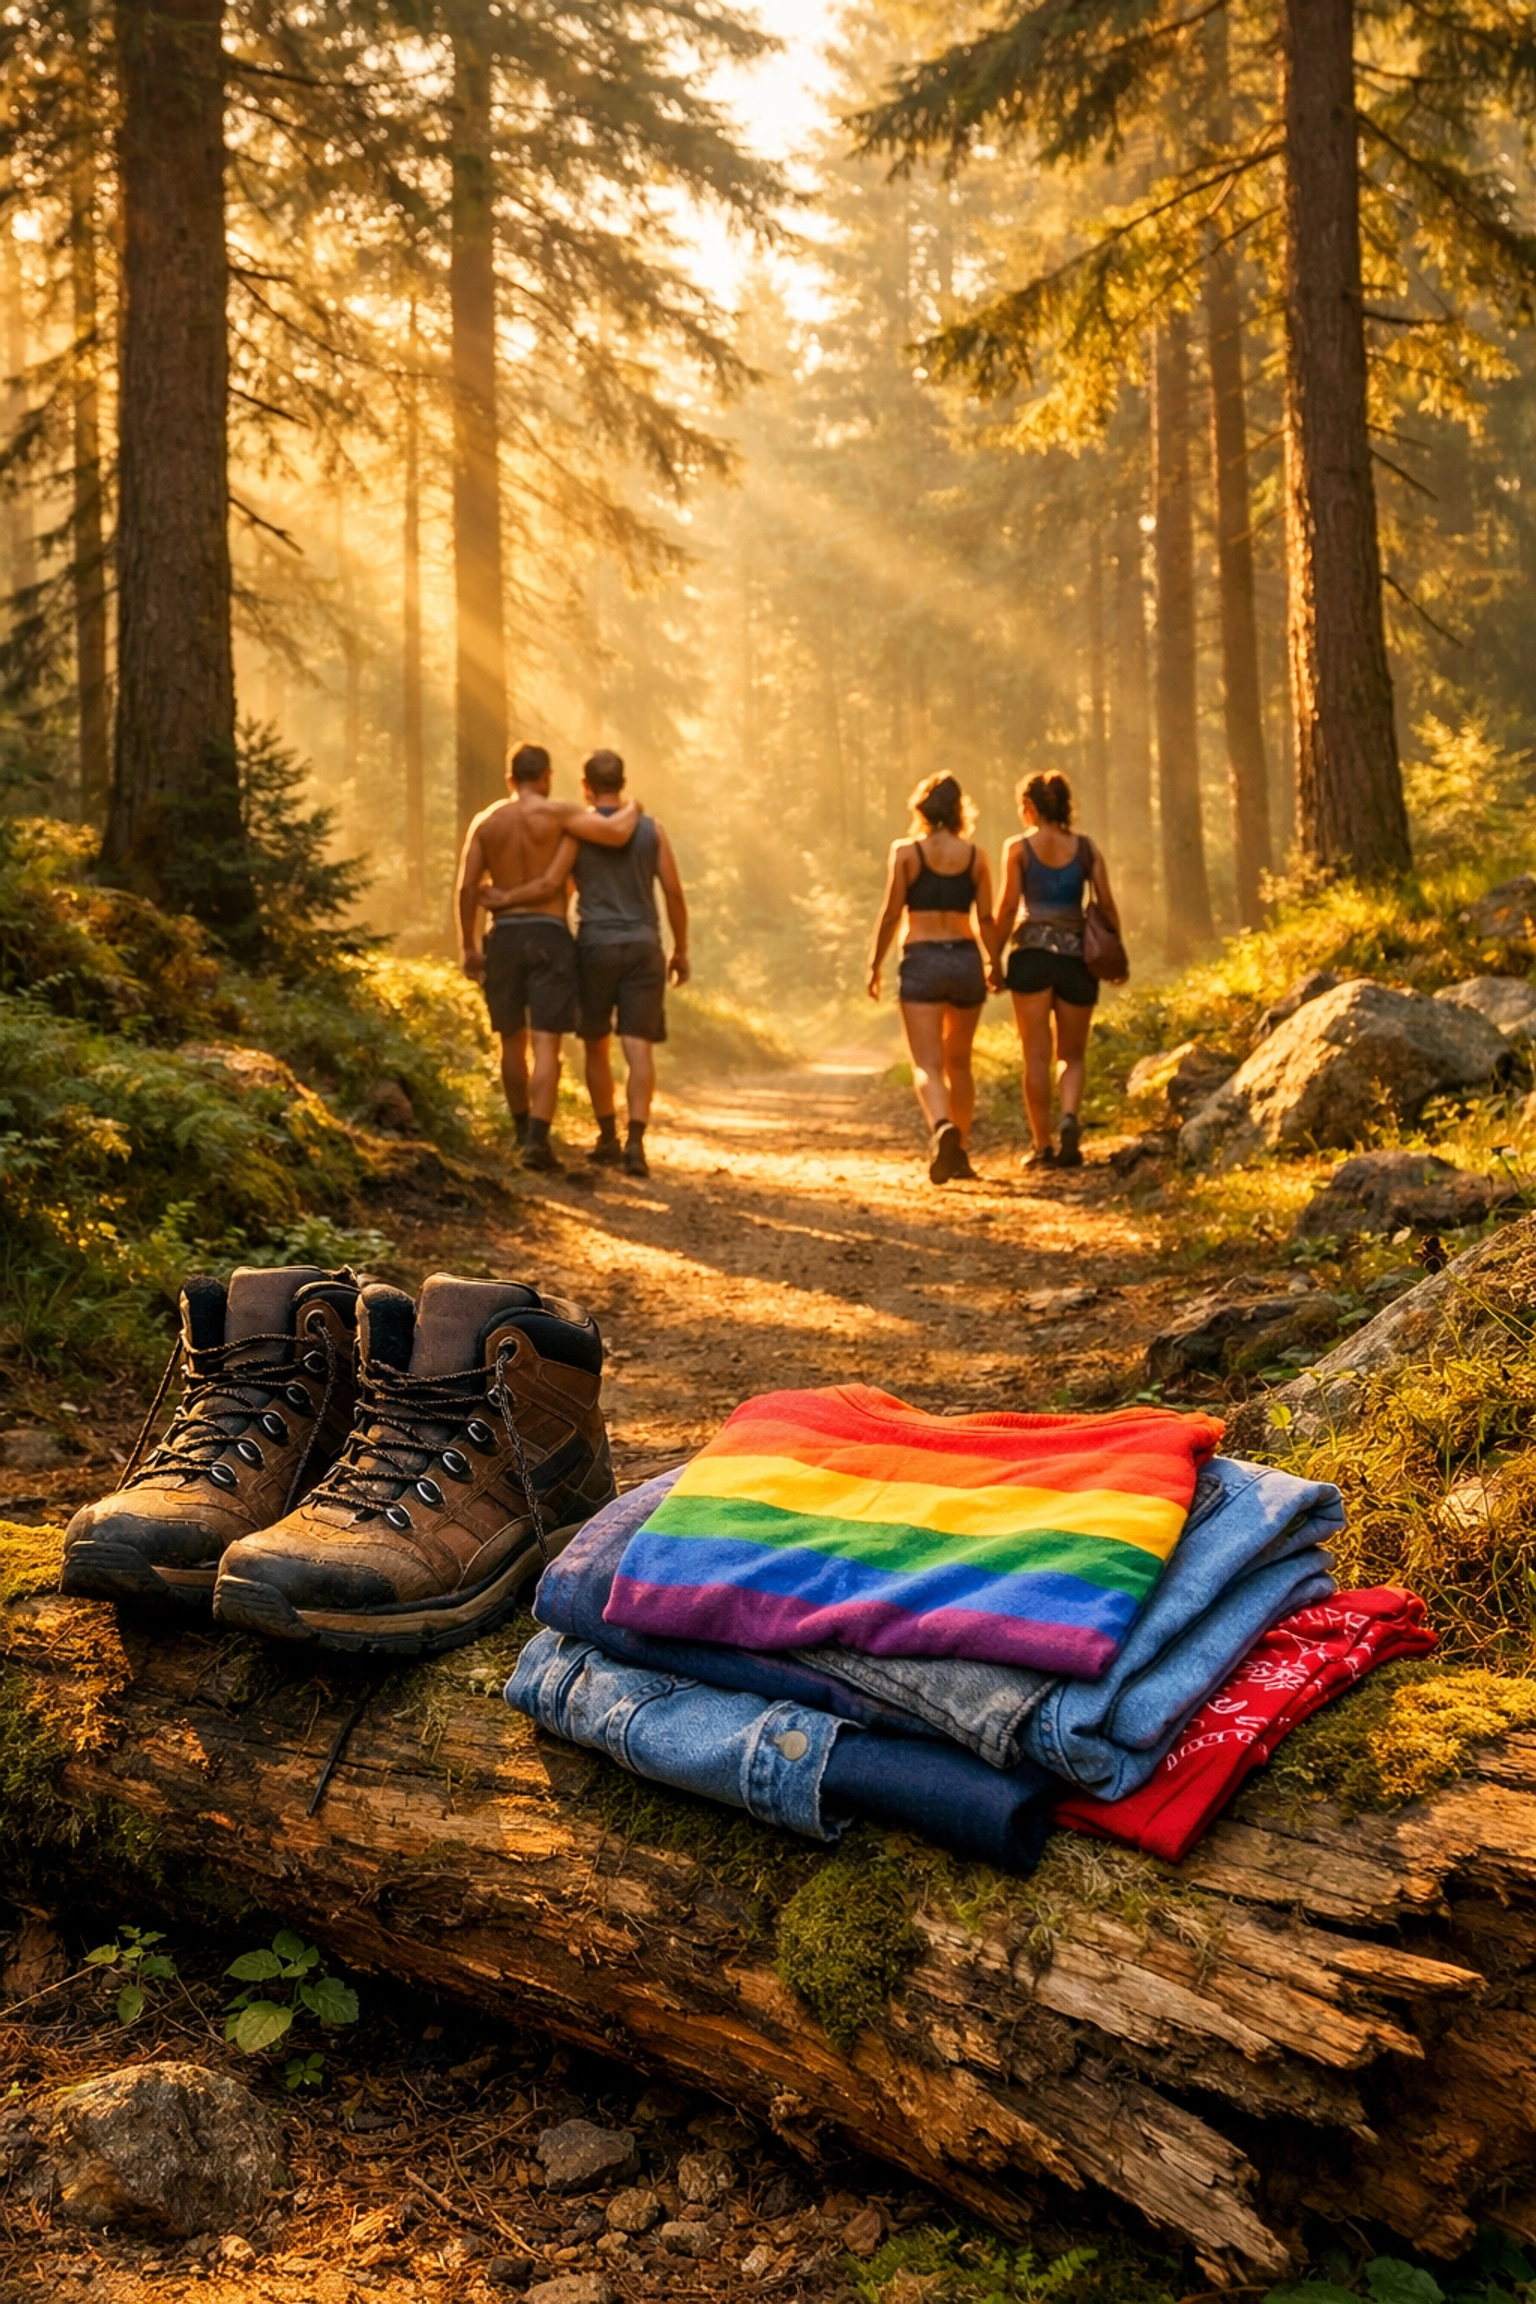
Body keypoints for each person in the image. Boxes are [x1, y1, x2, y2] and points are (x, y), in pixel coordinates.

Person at [482, 748, 689, 1178]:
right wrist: (680, 948)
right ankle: (636, 1144)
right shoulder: (652, 831)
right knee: (638, 1047)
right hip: (644, 946)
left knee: (595, 1043)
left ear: (585, 786)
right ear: (623, 780)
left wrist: (509, 901)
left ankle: (607, 1137)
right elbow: (672, 891)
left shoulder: (577, 834)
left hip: (593, 947)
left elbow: (557, 884)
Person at [456, 742, 637, 1172]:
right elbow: (613, 834)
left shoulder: (487, 822)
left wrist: (467, 946)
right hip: (550, 935)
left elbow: (467, 887)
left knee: (510, 1042)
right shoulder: (559, 814)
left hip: (503, 937)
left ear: (509, 778)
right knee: (546, 1044)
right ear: (547, 776)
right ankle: (539, 1139)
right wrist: (635, 806)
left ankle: (521, 1135)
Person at [867, 772, 996, 1184]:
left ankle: (941, 1126)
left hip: (921, 958)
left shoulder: (906, 853)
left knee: (927, 1063)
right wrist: (997, 963)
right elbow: (988, 918)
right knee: (960, 1062)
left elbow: (891, 914)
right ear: (960, 810)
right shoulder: (976, 856)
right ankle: (958, 1154)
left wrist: (874, 965)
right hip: (964, 958)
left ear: (922, 807)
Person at [991, 769, 1122, 1170]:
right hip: (1076, 961)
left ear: (1029, 807)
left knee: (1035, 1056)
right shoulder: (1086, 849)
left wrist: (993, 959)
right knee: (1073, 1055)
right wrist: (1116, 955)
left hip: (1031, 958)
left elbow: (1009, 907)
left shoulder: (1018, 849)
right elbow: (1106, 904)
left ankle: (1042, 1146)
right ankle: (1069, 1118)